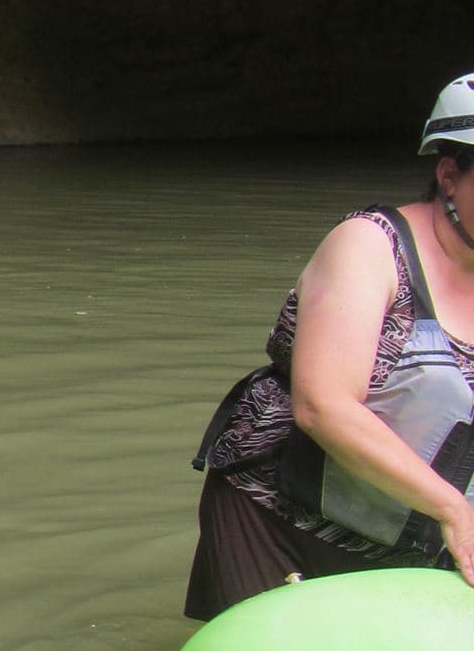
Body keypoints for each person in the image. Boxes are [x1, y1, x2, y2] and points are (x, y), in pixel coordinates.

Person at [185, 72, 474, 619]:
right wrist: (454, 510)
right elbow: (324, 406)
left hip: (411, 535)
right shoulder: (371, 245)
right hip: (279, 516)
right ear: (449, 177)